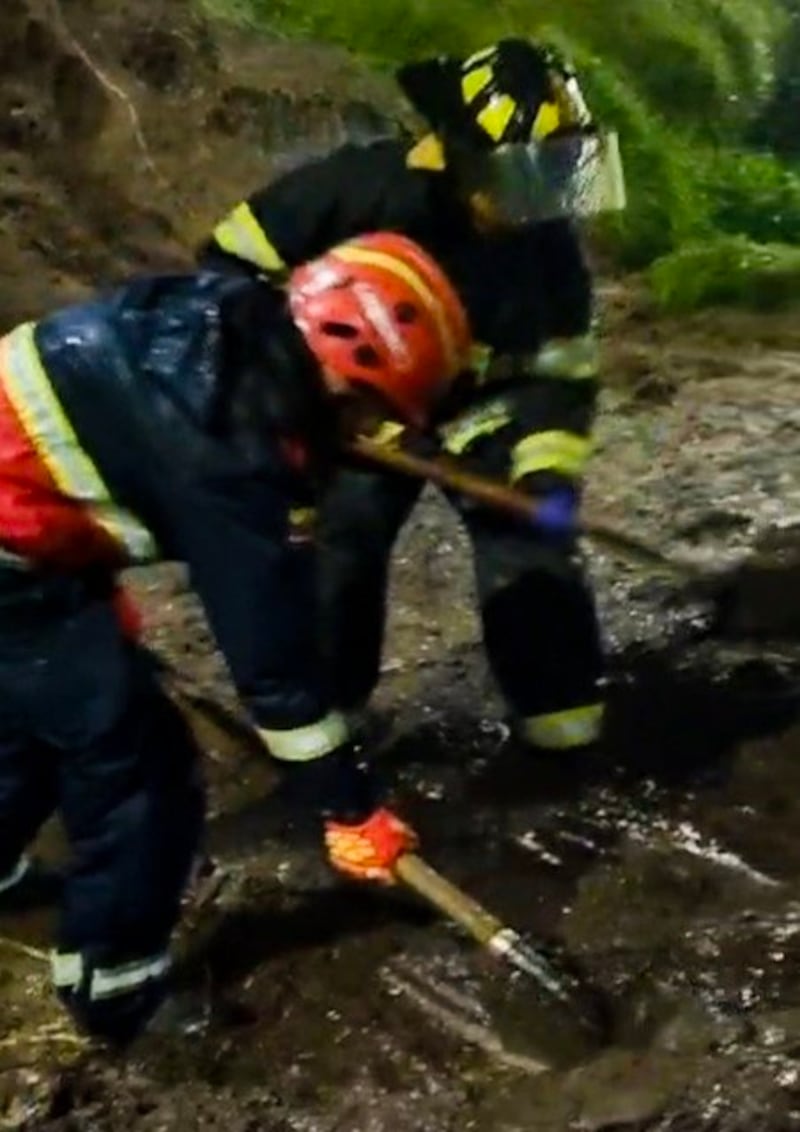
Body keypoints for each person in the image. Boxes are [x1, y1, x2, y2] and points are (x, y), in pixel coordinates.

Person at [0, 232, 472, 1045]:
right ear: (344, 361)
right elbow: (272, 664)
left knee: (32, 725)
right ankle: (116, 992)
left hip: (30, 545)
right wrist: (349, 808)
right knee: (140, 764)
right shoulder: (225, 446)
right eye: (371, 409)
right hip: (15, 564)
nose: (369, 430)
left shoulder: (232, 320)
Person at [198, 37, 626, 759]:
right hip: (359, 409)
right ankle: (330, 729)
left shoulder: (546, 243)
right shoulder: (358, 191)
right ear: (460, 159)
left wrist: (545, 466)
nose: (538, 203)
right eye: (521, 179)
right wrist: (299, 390)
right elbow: (224, 275)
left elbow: (561, 368)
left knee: (528, 543)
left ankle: (567, 736)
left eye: (554, 176)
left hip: (480, 406)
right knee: (344, 543)